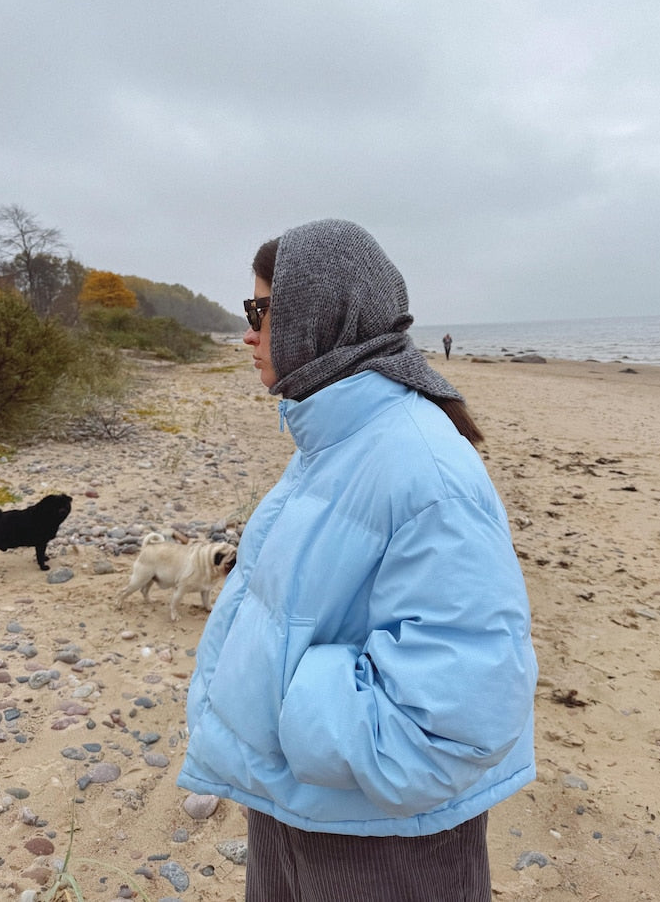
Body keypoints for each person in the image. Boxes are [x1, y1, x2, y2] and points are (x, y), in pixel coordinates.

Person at [178, 219, 537, 902]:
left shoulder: (424, 469)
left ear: (320, 318)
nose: (247, 334)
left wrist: (287, 704)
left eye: (259, 312)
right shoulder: (334, 441)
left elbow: (458, 718)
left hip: (383, 845)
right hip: (302, 805)